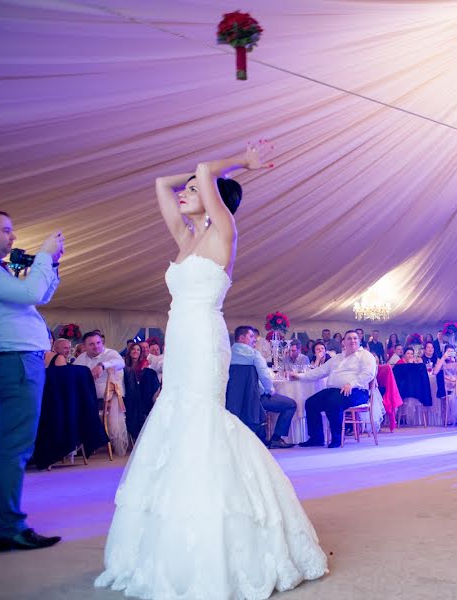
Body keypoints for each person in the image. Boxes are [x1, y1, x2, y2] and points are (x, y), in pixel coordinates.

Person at [95, 143, 327, 597]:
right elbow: (161, 184)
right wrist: (187, 184)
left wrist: (242, 163)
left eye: (193, 189)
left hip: (204, 339)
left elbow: (203, 170)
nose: (183, 191)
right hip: (180, 340)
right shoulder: (186, 240)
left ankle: (224, 522)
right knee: (176, 422)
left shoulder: (224, 230)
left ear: (214, 197)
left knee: (202, 420)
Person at [0, 209, 64, 552]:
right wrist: (44, 255)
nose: (13, 236)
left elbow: (40, 296)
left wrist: (53, 265)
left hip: (16, 360)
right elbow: (32, 294)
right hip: (15, 361)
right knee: (15, 445)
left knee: (4, 444)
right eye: (5, 229)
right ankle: (8, 526)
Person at [292, 331, 377, 448]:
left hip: (357, 391)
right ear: (344, 342)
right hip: (334, 390)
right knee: (311, 402)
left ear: (359, 340)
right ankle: (316, 438)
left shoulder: (365, 355)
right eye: (349, 338)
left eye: (355, 338)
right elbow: (319, 372)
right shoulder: (337, 358)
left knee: (333, 402)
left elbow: (368, 374)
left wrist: (351, 384)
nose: (352, 341)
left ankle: (337, 438)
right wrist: (299, 377)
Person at [231, 326, 298, 449]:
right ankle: (276, 439)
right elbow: (265, 376)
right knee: (291, 404)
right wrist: (270, 390)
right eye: (251, 336)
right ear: (241, 338)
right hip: (256, 399)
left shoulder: (227, 355)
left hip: (234, 402)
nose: (254, 340)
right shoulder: (253, 354)